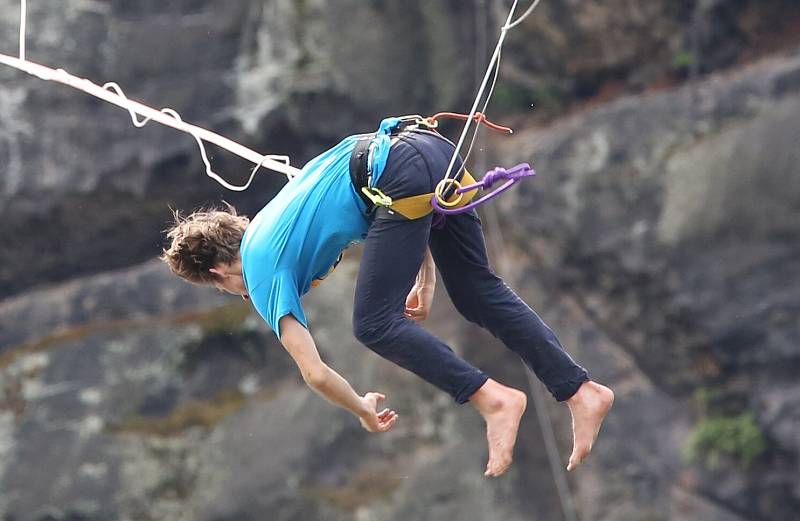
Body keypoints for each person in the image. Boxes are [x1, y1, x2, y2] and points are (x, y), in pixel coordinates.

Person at [161, 118, 613, 477]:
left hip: (399, 175)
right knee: (476, 291)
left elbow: (314, 374)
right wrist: (427, 276)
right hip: (431, 151)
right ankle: (580, 390)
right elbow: (385, 212)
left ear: (218, 271)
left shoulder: (261, 274)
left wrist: (361, 408)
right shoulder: (276, 214)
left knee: (373, 324)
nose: (235, 295)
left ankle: (492, 399)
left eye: (222, 288)